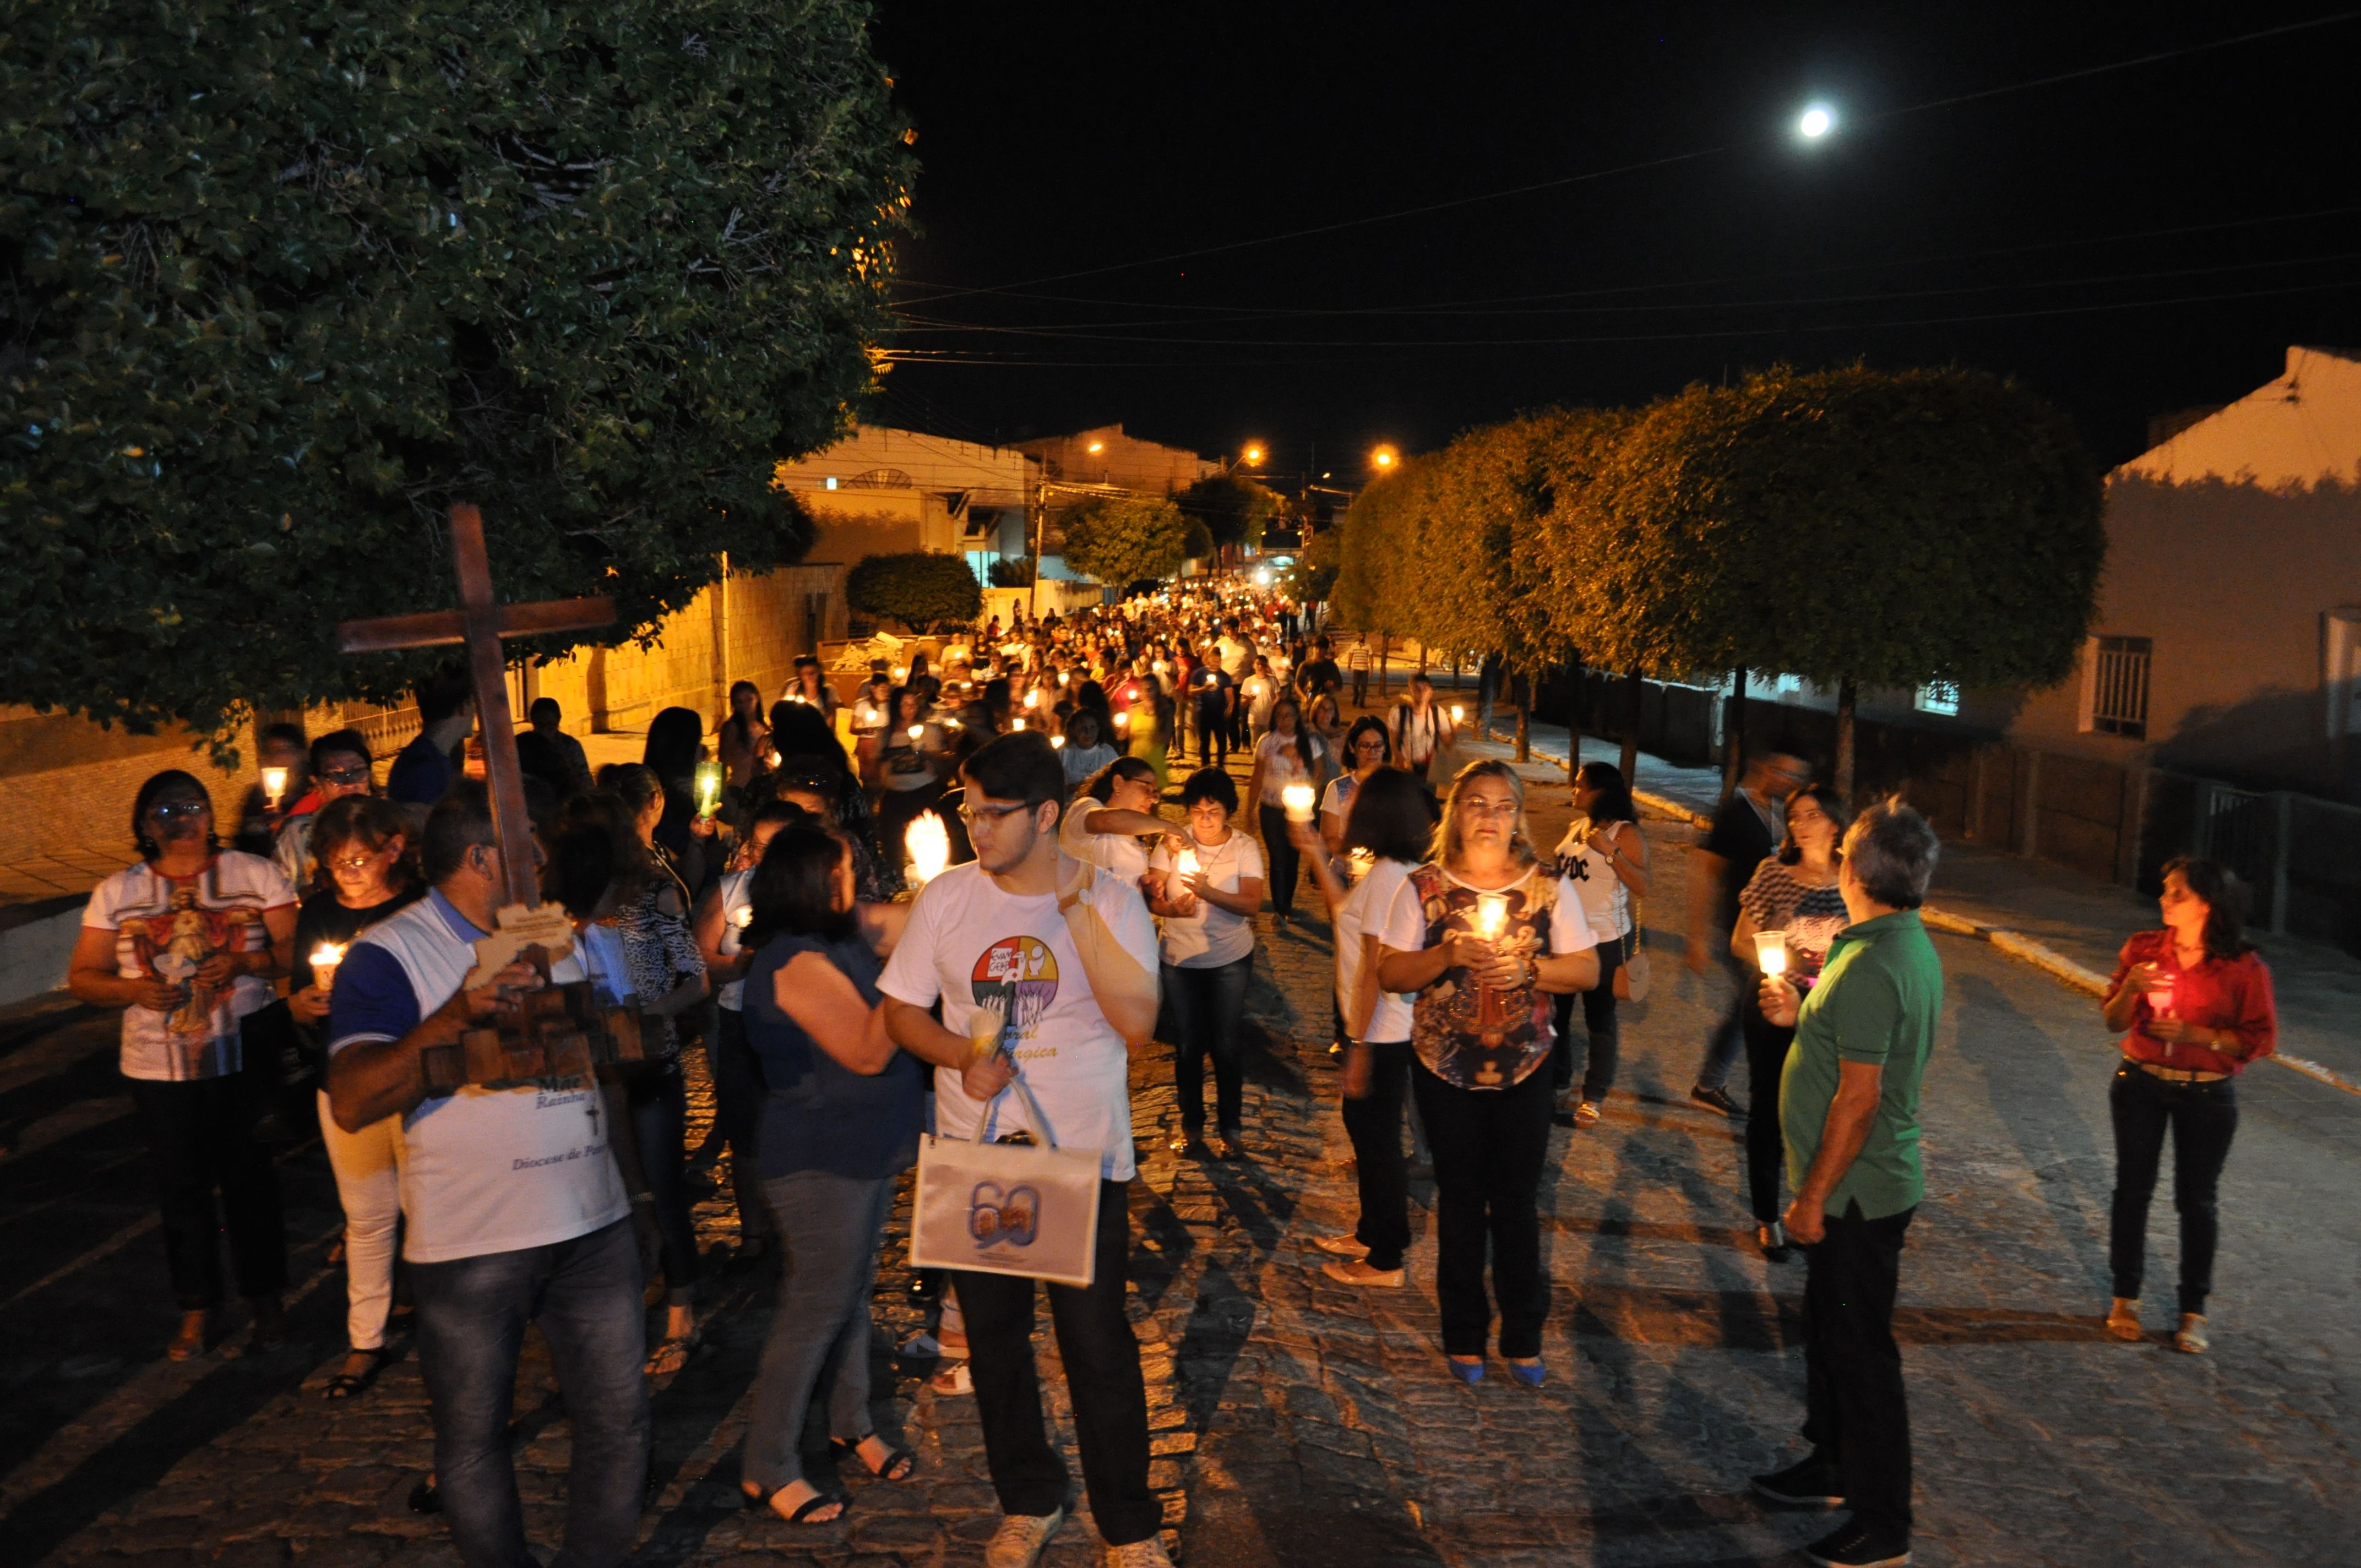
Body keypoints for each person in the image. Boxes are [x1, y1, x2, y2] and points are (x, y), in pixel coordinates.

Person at [326, 783, 646, 1568]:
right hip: (473, 1242)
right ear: (482, 858)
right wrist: (460, 1011)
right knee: (472, 1441)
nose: (543, 862)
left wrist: (636, 1193)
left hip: (592, 1224)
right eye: (529, 849)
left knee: (620, 1421)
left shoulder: (554, 933)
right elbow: (355, 1097)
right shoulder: (388, 952)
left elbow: (623, 1054)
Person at [878, 732, 1171, 1568]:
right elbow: (902, 1009)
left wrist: (1074, 905)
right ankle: (1027, 1498)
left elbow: (1138, 1024)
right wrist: (957, 1057)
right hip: (979, 1159)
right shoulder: (945, 899)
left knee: (1097, 1348)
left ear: (1047, 815)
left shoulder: (1111, 900)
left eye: (994, 813)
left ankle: (1128, 1524)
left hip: (1080, 1160)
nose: (977, 827)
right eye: (968, 809)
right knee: (994, 1345)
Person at [1749, 799, 1943, 1568]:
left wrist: (1808, 1199)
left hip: (1855, 1195)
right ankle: (1830, 1463)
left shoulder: (1872, 964)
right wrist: (1803, 1013)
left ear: (1854, 871)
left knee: (1862, 1356)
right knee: (1830, 1335)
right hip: (1856, 1189)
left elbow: (1859, 1100)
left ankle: (1882, 1521)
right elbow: (1862, 1049)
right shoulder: (1895, 943)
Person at [1377, 760, 1598, 1385]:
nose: (1490, 817)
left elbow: (1585, 971)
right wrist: (1445, 954)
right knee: (1461, 1200)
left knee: (1518, 1202)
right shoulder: (1421, 887)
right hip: (1444, 1070)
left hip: (1525, 1067)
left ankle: (1523, 1333)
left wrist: (1529, 972)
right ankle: (1463, 1333)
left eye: (1503, 805)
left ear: (1519, 816)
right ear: (1456, 813)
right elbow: (1390, 974)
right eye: (1476, 803)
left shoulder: (1549, 887)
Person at [69, 771, 300, 1361]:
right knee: (181, 1187)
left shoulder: (254, 874)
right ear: (144, 824)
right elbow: (84, 975)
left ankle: (265, 1299)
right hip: (157, 1064)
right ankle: (197, 1304)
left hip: (243, 1051)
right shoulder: (117, 891)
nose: (180, 820)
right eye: (164, 810)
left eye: (192, 806)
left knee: (250, 1178)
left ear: (209, 814)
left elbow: (292, 955)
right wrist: (134, 993)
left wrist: (244, 964)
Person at [738, 821, 924, 1525]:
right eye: (845, 871)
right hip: (819, 1159)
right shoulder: (791, 961)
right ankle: (769, 1463)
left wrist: (944, 888)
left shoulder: (842, 936)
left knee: (848, 1294)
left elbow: (915, 919)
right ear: (813, 881)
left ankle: (851, 1421)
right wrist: (910, 980)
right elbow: (867, 1050)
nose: (859, 881)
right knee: (815, 1307)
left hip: (863, 1148)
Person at [2098, 855, 2277, 1355]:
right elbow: (2113, 1022)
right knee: (2132, 1191)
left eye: (2176, 893)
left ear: (2206, 903)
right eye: (2165, 890)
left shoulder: (2243, 966)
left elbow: (2260, 1039)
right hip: (2141, 1083)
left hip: (2207, 1094)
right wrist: (2131, 987)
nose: (2163, 899)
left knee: (2196, 1201)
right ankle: (2124, 1297)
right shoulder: (2143, 950)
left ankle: (2192, 1311)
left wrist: (2201, 1036)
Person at [565, 778, 711, 1375]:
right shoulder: (560, 906)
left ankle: (681, 1305)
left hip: (650, 1063)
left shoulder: (653, 895)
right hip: (584, 1072)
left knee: (659, 1182)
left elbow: (696, 980)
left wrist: (644, 1017)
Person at [287, 795, 425, 1395]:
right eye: (337, 861)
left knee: (428, 1208)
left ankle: (441, 1316)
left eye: (359, 859)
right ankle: (364, 1340)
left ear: (390, 851)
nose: (348, 871)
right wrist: (302, 1003)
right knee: (366, 1217)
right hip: (344, 1081)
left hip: (415, 1078)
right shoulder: (318, 912)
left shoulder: (418, 905)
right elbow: (297, 992)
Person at [1294, 770, 1434, 1287]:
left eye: (1358, 808)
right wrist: (1312, 848)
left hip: (1383, 1030)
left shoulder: (1390, 879)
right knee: (1366, 1132)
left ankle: (1386, 1258)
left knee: (1377, 1142)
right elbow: (1342, 913)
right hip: (1378, 1029)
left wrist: (1358, 1045)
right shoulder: (1385, 872)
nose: (1348, 814)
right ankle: (1371, 1231)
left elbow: (1374, 972)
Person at [1730, 785, 1851, 1257]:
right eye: (1794, 816)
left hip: (1832, 1012)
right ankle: (1766, 1217)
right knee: (1769, 1110)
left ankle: (1812, 1202)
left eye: (1812, 815)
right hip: (1775, 1002)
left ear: (1836, 823)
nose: (1799, 824)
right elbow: (1742, 940)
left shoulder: (1854, 880)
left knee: (1824, 1110)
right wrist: (1789, 960)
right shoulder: (1774, 874)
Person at [692, 799, 809, 1265]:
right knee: (746, 1132)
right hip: (740, 1024)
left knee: (797, 1128)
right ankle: (754, 1233)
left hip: (797, 1026)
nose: (764, 856)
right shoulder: (731, 891)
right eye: (758, 845)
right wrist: (742, 963)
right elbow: (702, 960)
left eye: (776, 846)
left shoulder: (813, 900)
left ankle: (797, 1231)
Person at [1147, 769, 1266, 1160]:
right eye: (1197, 811)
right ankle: (1192, 1125)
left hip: (1229, 958)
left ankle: (1231, 1128)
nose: (1205, 820)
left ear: (1228, 810)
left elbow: (1251, 904)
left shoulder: (1245, 847)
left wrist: (1207, 893)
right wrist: (1173, 911)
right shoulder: (1173, 843)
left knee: (1226, 1045)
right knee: (1187, 1046)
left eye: (1213, 811)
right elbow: (1154, 899)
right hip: (1179, 960)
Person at [1685, 752, 1809, 1118]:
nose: (1790, 782)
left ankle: (1716, 1083)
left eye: (1797, 776)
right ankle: (1714, 1084)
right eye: (1786, 773)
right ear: (1765, 768)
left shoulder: (1778, 814)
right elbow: (1704, 871)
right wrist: (1697, 937)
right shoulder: (1735, 814)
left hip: (1781, 936)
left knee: (1753, 1006)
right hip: (1742, 932)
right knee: (1754, 1006)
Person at [1548, 761, 1650, 1130]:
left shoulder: (1626, 833)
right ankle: (1559, 1082)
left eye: (1580, 785)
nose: (1574, 790)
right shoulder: (1576, 827)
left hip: (1605, 941)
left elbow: (1643, 885)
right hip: (1564, 940)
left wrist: (1611, 852)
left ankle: (1594, 1096)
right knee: (1555, 1016)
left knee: (1600, 1020)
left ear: (1599, 792)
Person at [1247, 696, 1328, 930]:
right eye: (1280, 715)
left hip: (1297, 812)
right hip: (1271, 809)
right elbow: (1258, 776)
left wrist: (1305, 790)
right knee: (1278, 859)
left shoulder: (1310, 743)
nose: (1285, 720)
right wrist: (1249, 810)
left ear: (1297, 717)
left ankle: (1287, 905)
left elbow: (1320, 774)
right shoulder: (1267, 742)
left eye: (1289, 715)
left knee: (1292, 860)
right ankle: (1280, 911)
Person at [273, 728, 377, 888]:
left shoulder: (389, 824)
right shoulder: (298, 834)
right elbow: (281, 891)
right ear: (316, 781)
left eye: (358, 772)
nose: (349, 783)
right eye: (336, 775)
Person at [1060, 756, 1172, 887]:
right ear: (1118, 783)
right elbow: (1107, 820)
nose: (1152, 799)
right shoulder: (1085, 808)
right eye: (1147, 789)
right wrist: (1168, 827)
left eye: (1155, 793)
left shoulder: (1136, 837)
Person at [388, 669, 476, 808]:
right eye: (474, 703)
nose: (476, 712)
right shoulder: (423, 769)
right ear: (464, 707)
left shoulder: (427, 760)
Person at [1320, 717, 1390, 857]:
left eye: (1378, 745)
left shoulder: (1396, 786)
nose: (1372, 752)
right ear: (1353, 748)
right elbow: (1328, 839)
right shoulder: (1338, 788)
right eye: (1365, 746)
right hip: (1346, 870)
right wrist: (1356, 855)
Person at [1387, 672, 1455, 783]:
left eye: (1425, 688)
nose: (1421, 692)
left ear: (1431, 692)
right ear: (1410, 691)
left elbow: (1448, 743)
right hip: (1403, 767)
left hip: (1428, 769)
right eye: (1417, 688)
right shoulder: (1398, 712)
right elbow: (1393, 742)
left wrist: (1454, 730)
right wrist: (1402, 763)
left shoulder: (1438, 713)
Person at [717, 679, 771, 801]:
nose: (745, 705)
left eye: (749, 700)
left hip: (763, 785)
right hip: (743, 787)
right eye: (740, 702)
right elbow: (723, 762)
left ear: (757, 698)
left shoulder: (763, 726)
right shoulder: (733, 727)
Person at [529, 696, 595, 794]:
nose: (545, 730)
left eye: (551, 725)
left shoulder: (570, 746)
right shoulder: (526, 744)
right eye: (540, 725)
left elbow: (584, 778)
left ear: (558, 720)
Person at [1059, 710, 1119, 787]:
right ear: (1073, 730)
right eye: (1083, 728)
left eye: (1093, 728)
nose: (1088, 733)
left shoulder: (1108, 752)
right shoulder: (1063, 753)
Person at [1240, 655, 1281, 745]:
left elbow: (1278, 696)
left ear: (1266, 666)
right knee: (1257, 745)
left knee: (1270, 745)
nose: (1260, 667)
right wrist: (1250, 698)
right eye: (1258, 664)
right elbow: (1243, 703)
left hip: (1269, 719)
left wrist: (1274, 706)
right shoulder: (1248, 681)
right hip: (1255, 719)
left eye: (1263, 664)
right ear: (1253, 665)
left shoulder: (1273, 680)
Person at [1343, 636, 1374, 708]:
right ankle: (1356, 697)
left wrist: (1372, 668)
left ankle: (1362, 703)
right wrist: (1349, 665)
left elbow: (1371, 657)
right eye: (1360, 636)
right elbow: (1351, 655)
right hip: (1356, 669)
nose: (1361, 637)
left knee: (1364, 687)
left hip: (1365, 669)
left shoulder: (1368, 646)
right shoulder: (1354, 646)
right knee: (1355, 685)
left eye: (1362, 636)